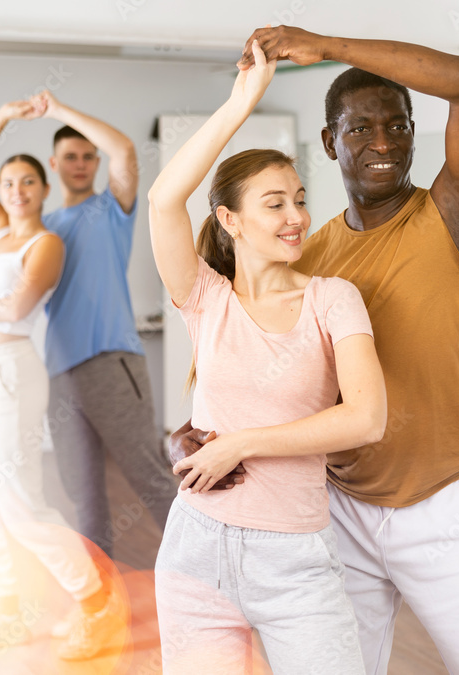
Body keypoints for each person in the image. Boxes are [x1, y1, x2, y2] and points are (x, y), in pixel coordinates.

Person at [172, 25, 459, 675]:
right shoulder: (308, 257)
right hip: (337, 509)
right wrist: (195, 439)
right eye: (359, 129)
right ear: (329, 141)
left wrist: (325, 45)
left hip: (447, 504)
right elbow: (240, 370)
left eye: (397, 125)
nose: (382, 143)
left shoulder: (455, 216)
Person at [148, 41, 385, 674]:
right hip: (197, 551)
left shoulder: (334, 299)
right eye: (275, 203)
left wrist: (238, 444)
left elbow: (366, 419)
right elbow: (164, 200)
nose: (296, 217)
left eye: (299, 198)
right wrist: (240, 103)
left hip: (296, 560)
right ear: (229, 219)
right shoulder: (205, 299)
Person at [0, 97, 124, 661]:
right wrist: (4, 115)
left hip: (11, 374)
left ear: (44, 189)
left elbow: (16, 308)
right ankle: (6, 615)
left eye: (27, 182)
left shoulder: (47, 243)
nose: (16, 190)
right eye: (8, 181)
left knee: (19, 503)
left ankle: (95, 602)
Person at [36, 90, 177, 560]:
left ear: (96, 162)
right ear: (53, 165)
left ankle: (209, 575)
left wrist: (57, 109)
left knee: (147, 474)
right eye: (69, 157)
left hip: (111, 362)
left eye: (87, 156)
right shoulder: (41, 226)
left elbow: (125, 152)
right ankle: (102, 592)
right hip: (60, 373)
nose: (80, 163)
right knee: (82, 490)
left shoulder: (110, 209)